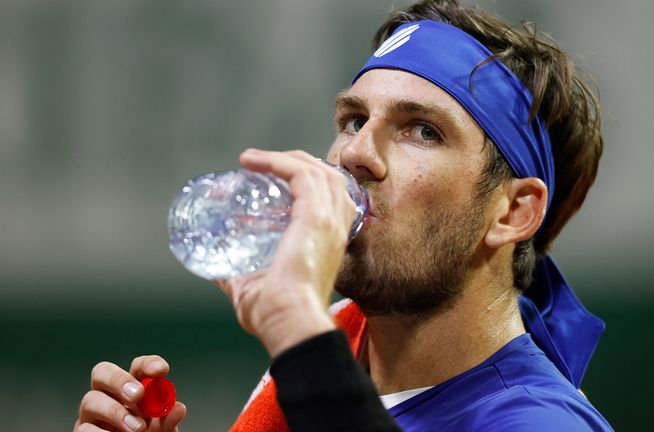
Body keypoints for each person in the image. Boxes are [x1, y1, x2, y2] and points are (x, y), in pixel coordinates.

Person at [74, 0, 613, 431]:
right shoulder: (339, 342)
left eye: (422, 130)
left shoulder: (537, 421)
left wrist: (296, 329)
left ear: (513, 212)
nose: (355, 154)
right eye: (354, 120)